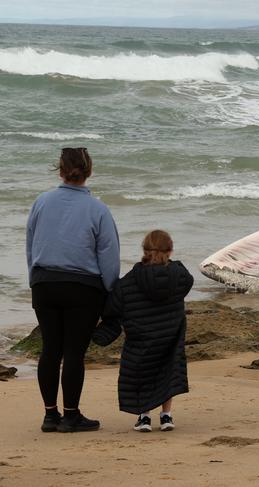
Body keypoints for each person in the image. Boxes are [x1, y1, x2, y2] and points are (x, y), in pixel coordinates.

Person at [26, 147, 120, 433]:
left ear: (60, 170)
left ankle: (50, 415)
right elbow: (109, 258)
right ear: (88, 171)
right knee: (74, 353)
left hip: (44, 283)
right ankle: (71, 415)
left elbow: (31, 246)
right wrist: (109, 293)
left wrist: (35, 280)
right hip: (83, 288)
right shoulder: (99, 209)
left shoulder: (41, 202)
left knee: (50, 351)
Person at [92, 230, 193, 432]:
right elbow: (187, 284)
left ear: (144, 250)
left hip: (141, 336)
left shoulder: (128, 281)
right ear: (170, 250)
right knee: (168, 370)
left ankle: (144, 417)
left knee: (142, 372)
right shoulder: (180, 276)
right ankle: (166, 416)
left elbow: (112, 308)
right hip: (169, 333)